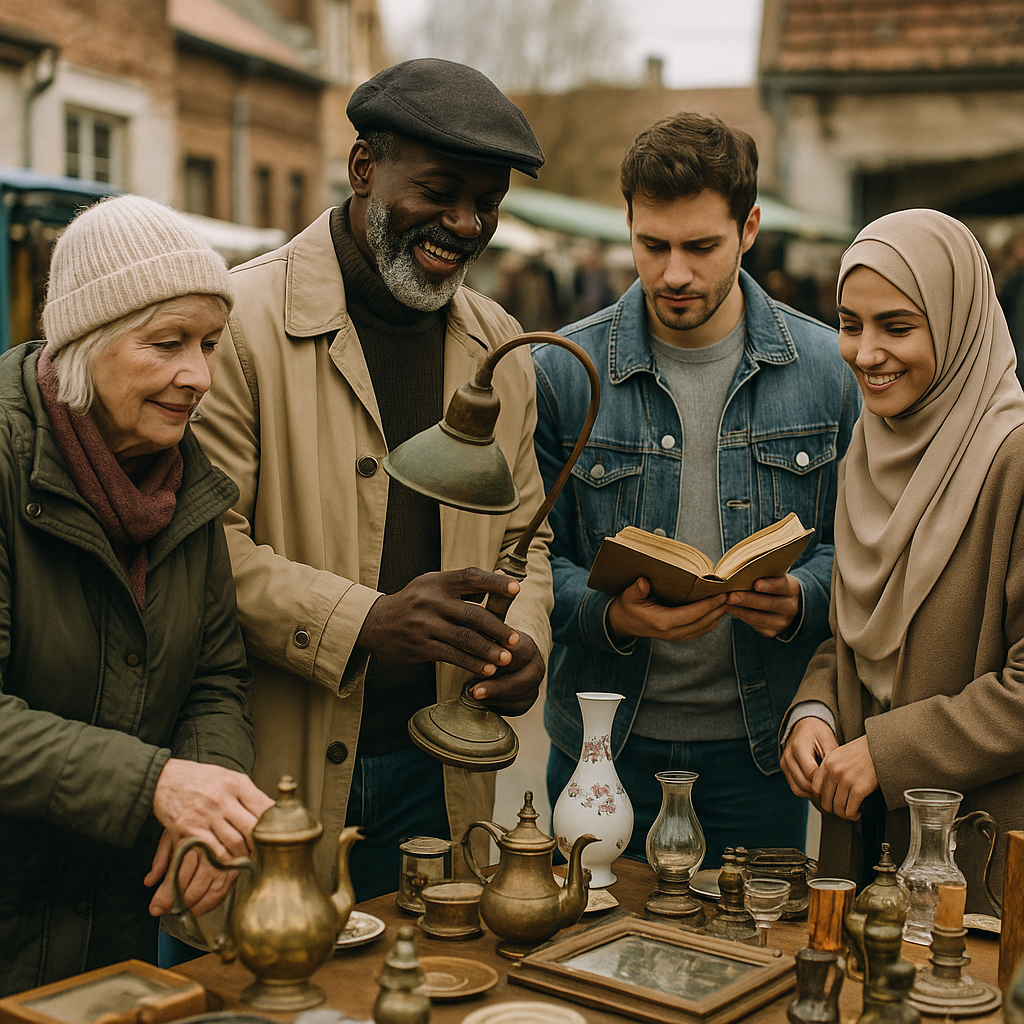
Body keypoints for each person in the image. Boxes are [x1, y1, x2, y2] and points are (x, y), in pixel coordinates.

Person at [191, 58, 553, 901]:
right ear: (363, 169)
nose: (465, 223)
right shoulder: (239, 326)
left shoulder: (501, 347)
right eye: (440, 191)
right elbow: (207, 554)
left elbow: (524, 539)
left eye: (488, 204)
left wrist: (525, 636)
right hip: (272, 772)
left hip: (443, 778)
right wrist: (370, 620)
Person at [532, 112, 860, 864]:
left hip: (762, 753)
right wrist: (610, 612)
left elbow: (869, 553)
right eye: (653, 245)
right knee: (583, 966)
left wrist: (804, 595)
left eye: (700, 247)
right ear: (628, 225)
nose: (674, 272)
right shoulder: (560, 372)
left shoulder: (827, 372)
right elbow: (525, 558)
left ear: (749, 229)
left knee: (753, 968)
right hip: (601, 749)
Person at [0, 194, 273, 995]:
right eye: (167, 345)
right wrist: (156, 784)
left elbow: (215, 678)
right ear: (84, 344)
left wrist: (210, 810)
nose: (200, 377)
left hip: (110, 920)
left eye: (211, 344)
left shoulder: (185, 482)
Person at [781, 209, 1024, 908]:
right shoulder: (871, 447)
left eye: (897, 325)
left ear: (956, 323)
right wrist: (815, 712)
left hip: (969, 862)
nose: (864, 352)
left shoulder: (1010, 462)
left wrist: (888, 755)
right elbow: (859, 636)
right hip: (865, 846)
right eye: (850, 324)